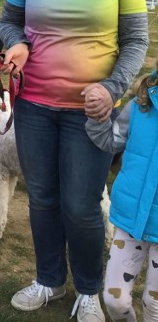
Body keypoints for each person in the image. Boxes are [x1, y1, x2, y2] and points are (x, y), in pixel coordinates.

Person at [0, 0, 149, 321]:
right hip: (35, 107)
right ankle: (49, 280)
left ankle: (87, 290)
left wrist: (112, 88)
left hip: (92, 114)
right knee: (43, 197)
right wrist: (18, 44)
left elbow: (136, 41)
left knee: (82, 206)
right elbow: (9, 22)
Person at [86, 63, 158, 322]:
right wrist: (98, 118)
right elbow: (111, 141)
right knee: (114, 301)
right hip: (129, 220)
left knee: (154, 304)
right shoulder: (140, 108)